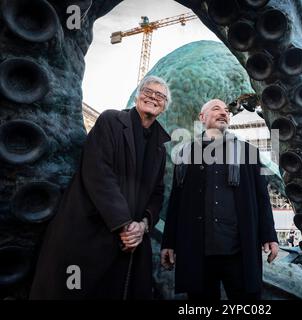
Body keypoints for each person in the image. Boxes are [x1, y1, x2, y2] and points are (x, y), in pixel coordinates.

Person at [30, 75, 172, 299]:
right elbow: (98, 172)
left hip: (129, 242)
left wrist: (143, 224)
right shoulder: (111, 120)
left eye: (160, 96)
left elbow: (157, 192)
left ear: (164, 106)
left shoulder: (161, 148)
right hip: (90, 231)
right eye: (147, 91)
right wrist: (125, 224)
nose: (153, 97)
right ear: (137, 96)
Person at [160, 99, 279, 300]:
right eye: (216, 109)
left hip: (238, 251)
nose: (224, 113)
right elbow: (176, 201)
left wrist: (269, 235)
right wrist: (169, 242)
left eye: (226, 111)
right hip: (198, 252)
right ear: (202, 117)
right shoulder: (186, 153)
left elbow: (261, 198)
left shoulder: (248, 152)